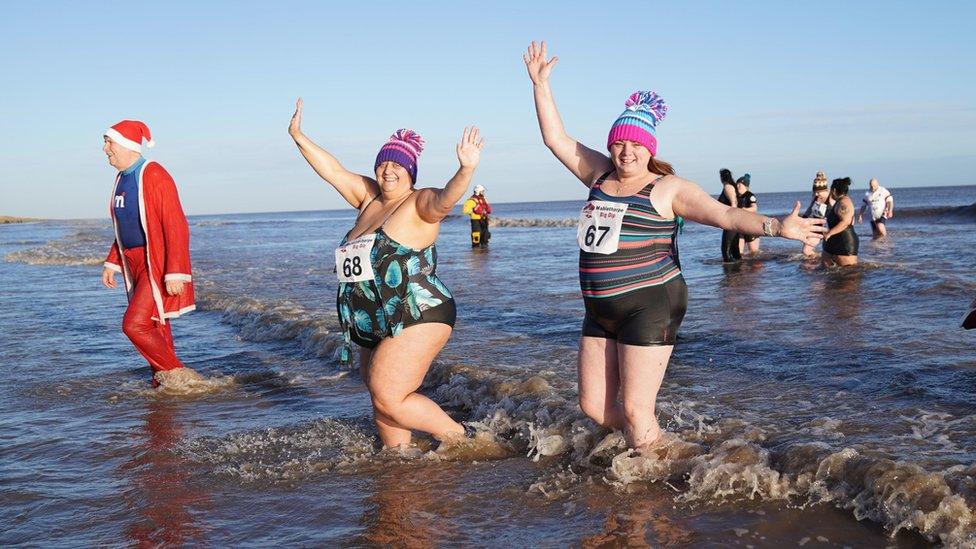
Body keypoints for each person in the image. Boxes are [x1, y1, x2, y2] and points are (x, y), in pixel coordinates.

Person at [523, 41, 824, 449]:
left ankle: (663, 475)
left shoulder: (668, 189)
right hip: (598, 307)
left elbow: (726, 216)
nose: (626, 152)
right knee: (594, 407)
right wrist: (541, 84)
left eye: (635, 144)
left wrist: (775, 226)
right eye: (618, 143)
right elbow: (555, 138)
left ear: (650, 148)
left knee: (634, 409)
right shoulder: (598, 175)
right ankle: (669, 454)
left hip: (650, 302)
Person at [287, 98, 485, 449]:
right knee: (382, 398)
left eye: (398, 165)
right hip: (372, 317)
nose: (389, 170)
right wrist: (298, 136)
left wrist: (466, 171)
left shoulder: (418, 202)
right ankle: (399, 461)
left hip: (418, 312)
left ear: (411, 172)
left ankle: (463, 440)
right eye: (383, 163)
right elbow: (332, 170)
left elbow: (444, 201)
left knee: (388, 394)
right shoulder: (368, 199)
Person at [101, 120, 202, 387]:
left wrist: (175, 271)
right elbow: (124, 224)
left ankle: (180, 374)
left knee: (134, 325)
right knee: (155, 325)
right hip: (132, 261)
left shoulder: (153, 173)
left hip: (154, 261)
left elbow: (176, 224)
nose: (105, 149)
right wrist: (113, 262)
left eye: (109, 142)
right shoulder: (121, 178)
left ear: (126, 145)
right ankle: (162, 383)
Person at [822, 177, 859, 267]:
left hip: (845, 243)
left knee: (849, 275)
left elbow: (845, 222)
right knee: (825, 271)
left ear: (834, 190)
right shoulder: (838, 202)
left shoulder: (844, 203)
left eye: (831, 190)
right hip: (832, 242)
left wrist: (829, 233)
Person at [800, 171, 830, 257]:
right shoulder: (816, 196)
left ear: (824, 190)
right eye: (815, 192)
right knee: (806, 250)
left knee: (806, 251)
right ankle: (816, 263)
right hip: (813, 226)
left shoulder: (830, 199)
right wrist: (803, 220)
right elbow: (809, 209)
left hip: (821, 228)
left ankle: (820, 259)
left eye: (818, 192)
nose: (816, 194)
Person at [717, 169, 741, 262]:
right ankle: (739, 270)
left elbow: (734, 203)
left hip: (731, 221)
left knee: (726, 249)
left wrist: (731, 220)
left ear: (722, 177)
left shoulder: (728, 187)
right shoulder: (730, 186)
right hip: (734, 220)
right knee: (734, 248)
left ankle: (731, 272)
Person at [736, 174, 760, 255]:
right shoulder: (736, 196)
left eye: (740, 184)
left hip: (750, 226)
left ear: (745, 186)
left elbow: (754, 208)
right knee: (739, 252)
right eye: (737, 184)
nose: (737, 186)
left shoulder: (750, 195)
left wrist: (744, 210)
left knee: (753, 252)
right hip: (740, 226)